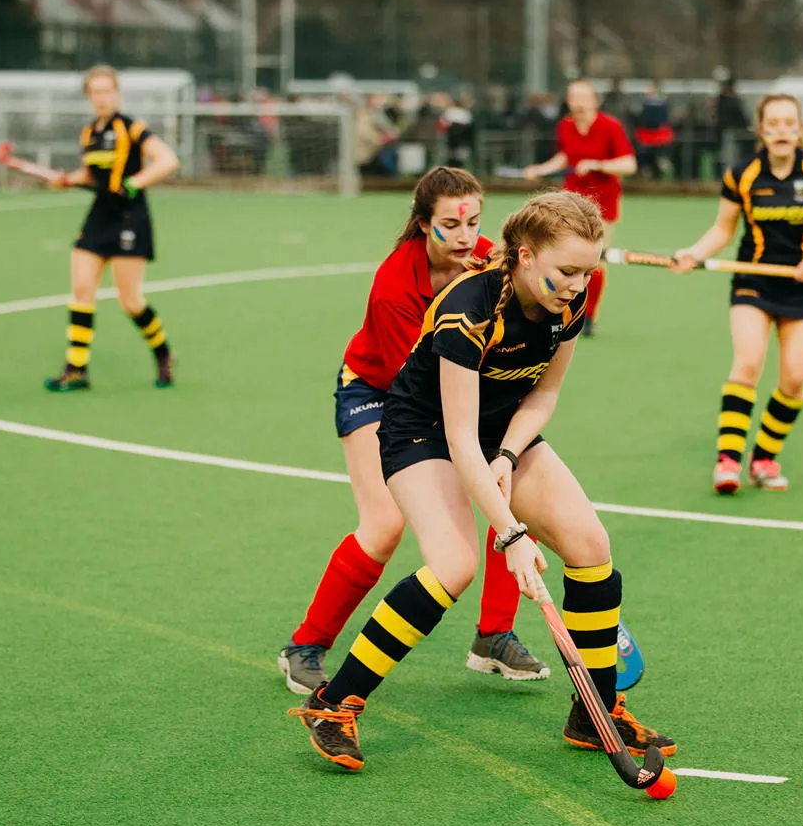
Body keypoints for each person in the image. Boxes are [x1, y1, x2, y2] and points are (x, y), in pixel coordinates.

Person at [289, 191, 675, 771]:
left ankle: (594, 712)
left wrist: (511, 455)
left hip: (499, 429)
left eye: (588, 273)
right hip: (423, 431)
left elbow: (544, 394)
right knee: (454, 565)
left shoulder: (567, 305)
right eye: (567, 271)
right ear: (525, 256)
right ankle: (334, 703)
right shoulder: (468, 311)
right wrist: (512, 533)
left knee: (590, 542)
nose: (577, 286)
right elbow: (460, 438)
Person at [278, 167, 548, 695]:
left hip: (460, 391)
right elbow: (419, 389)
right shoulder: (395, 287)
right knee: (384, 525)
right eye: (451, 224)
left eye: (474, 221)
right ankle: (305, 645)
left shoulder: (489, 259)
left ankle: (493, 636)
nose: (466, 236)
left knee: (510, 484)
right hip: (380, 391)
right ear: (424, 223)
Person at [671, 94, 803, 494]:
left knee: (794, 379)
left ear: (800, 128)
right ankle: (728, 462)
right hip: (753, 281)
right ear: (761, 130)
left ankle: (764, 458)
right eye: (773, 124)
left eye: (789, 123)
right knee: (749, 362)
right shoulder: (743, 175)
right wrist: (694, 253)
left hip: (802, 286)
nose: (782, 131)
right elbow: (724, 228)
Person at [45, 64, 180, 392]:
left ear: (117, 93)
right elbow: (90, 175)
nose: (101, 98)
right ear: (88, 96)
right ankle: (76, 369)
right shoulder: (89, 133)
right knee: (82, 289)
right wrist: (66, 180)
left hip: (129, 219)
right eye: (95, 92)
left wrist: (136, 182)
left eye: (107, 91)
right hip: (99, 217)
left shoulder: (132, 128)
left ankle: (163, 353)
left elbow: (167, 160)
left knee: (130, 301)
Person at [523, 79, 637, 336]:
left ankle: (588, 315)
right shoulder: (565, 126)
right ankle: (558, 309)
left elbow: (629, 164)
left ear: (594, 100)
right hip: (571, 201)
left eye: (583, 97)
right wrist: (541, 169)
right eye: (573, 98)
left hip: (602, 204)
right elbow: (565, 156)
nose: (578, 103)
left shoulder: (610, 126)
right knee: (561, 256)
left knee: (593, 259)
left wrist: (598, 165)